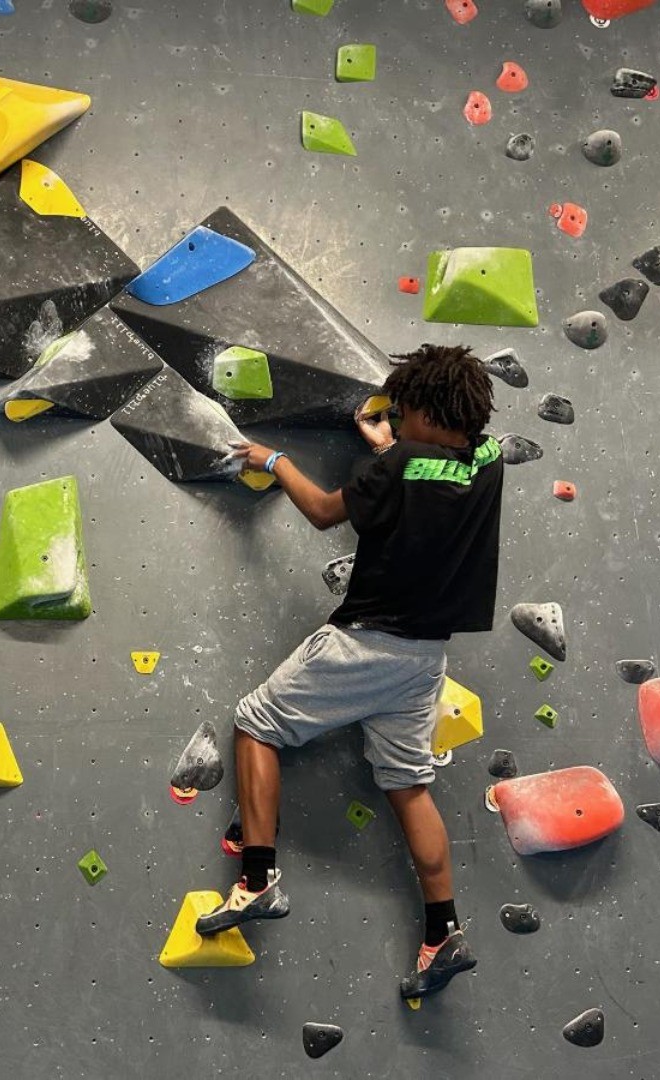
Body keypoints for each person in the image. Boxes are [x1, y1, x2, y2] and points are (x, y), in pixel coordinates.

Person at [195, 343, 503, 1001]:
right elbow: (436, 464)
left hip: (367, 642)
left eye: (402, 409)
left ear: (419, 407)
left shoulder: (395, 465)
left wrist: (273, 459)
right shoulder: (490, 459)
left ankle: (257, 878)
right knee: (408, 785)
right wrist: (395, 439)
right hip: (425, 660)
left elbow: (326, 511)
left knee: (256, 725)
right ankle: (443, 930)